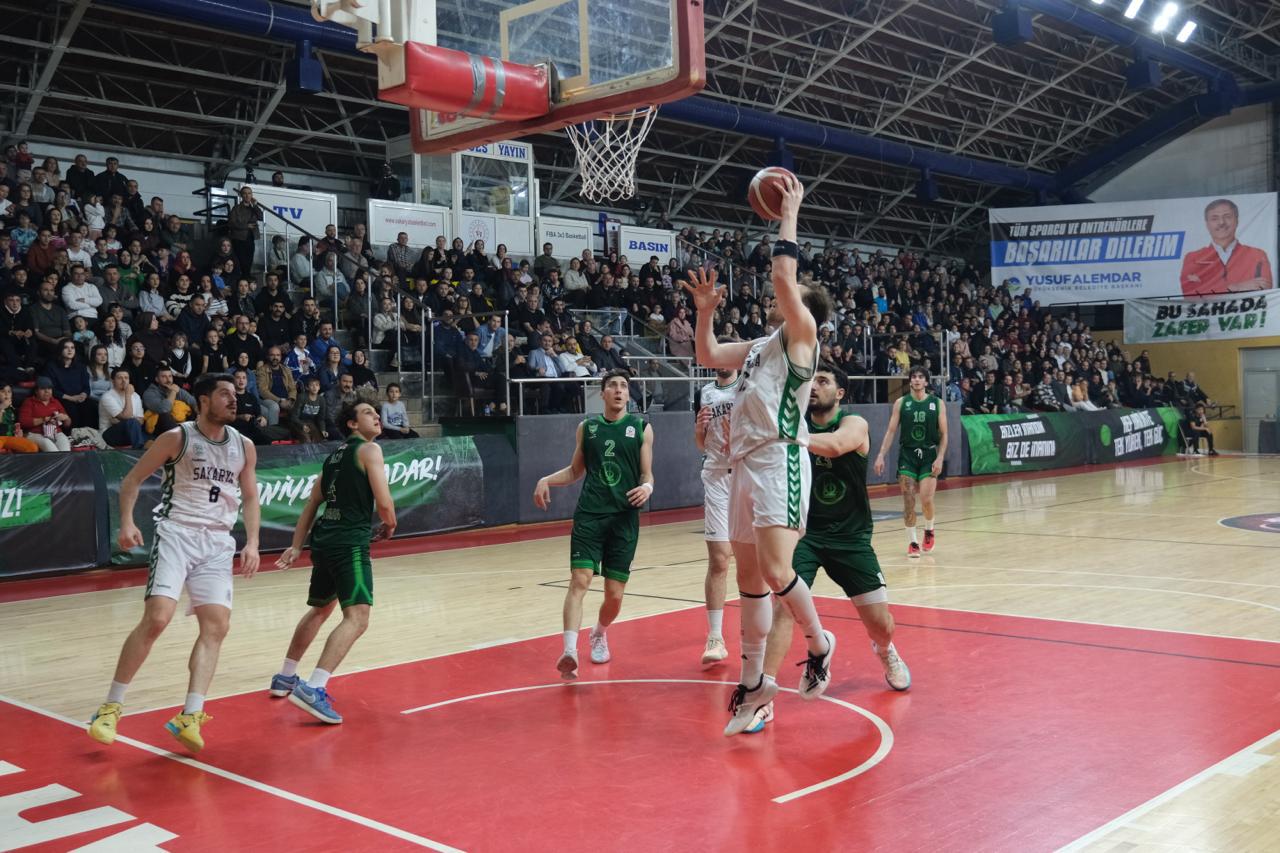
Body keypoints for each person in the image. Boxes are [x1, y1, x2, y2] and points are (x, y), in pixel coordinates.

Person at [681, 175, 837, 737]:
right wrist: (704, 310)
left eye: (786, 294)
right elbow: (706, 352)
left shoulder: (802, 334)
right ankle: (753, 688)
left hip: (781, 460)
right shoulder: (758, 349)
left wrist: (788, 212)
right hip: (742, 466)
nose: (777, 296)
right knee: (749, 584)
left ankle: (820, 643)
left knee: (775, 571)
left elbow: (780, 273)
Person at [87, 373, 261, 754]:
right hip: (177, 533)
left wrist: (252, 544)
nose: (234, 400)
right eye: (224, 394)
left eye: (236, 394)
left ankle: (191, 714)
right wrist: (129, 521)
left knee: (216, 627)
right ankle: (110, 707)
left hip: (217, 543)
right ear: (203, 400)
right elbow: (132, 480)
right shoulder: (177, 438)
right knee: (158, 618)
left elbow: (249, 497)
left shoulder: (244, 446)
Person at [748, 362, 910, 733]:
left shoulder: (854, 424)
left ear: (840, 393)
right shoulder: (795, 423)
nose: (815, 386)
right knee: (783, 608)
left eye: (823, 381)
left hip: (851, 539)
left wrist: (789, 437)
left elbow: (837, 446)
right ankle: (764, 697)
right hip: (805, 535)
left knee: (881, 626)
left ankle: (885, 652)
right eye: (812, 381)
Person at [268, 400, 396, 724]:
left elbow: (312, 503)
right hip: (348, 542)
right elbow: (384, 502)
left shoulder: (333, 458)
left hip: (324, 541)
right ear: (352, 424)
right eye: (368, 412)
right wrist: (390, 523)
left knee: (321, 609)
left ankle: (285, 676)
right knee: (358, 617)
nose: (376, 416)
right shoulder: (369, 451)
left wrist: (297, 546)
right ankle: (314, 687)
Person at [533, 370, 654, 680]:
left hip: (624, 519)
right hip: (590, 515)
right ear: (602, 393)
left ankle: (599, 632)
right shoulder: (587, 428)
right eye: (612, 385)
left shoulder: (641, 428)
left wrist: (648, 488)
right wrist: (546, 479)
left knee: (614, 595)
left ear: (629, 395)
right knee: (580, 580)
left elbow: (646, 474)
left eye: (624, 386)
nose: (618, 390)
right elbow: (575, 471)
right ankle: (569, 651)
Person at [693, 353, 738, 668]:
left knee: (757, 558)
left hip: (748, 474)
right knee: (719, 558)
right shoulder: (705, 392)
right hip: (716, 475)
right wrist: (699, 429)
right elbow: (700, 443)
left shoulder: (748, 386)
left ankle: (759, 625)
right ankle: (715, 637)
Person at [875, 366, 948, 558]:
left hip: (929, 454)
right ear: (910, 381)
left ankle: (929, 530)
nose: (916, 380)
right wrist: (881, 454)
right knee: (908, 499)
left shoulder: (937, 403)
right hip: (907, 455)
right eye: (913, 377)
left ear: (926, 382)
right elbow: (891, 431)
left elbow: (944, 434)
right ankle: (913, 542)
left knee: (926, 499)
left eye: (920, 377)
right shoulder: (901, 403)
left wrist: (940, 457)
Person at [1180, 198, 1273, 297]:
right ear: (1207, 224)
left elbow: (1265, 289)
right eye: (1214, 218)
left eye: (1227, 216)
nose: (1221, 222)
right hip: (1208, 312)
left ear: (1237, 220)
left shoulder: (1257, 255)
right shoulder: (1193, 258)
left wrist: (1208, 288)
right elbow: (1190, 294)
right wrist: (1235, 287)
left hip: (1246, 312)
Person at [18, 376, 72, 451]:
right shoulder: (29, 402)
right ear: (36, 391)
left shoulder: (55, 402)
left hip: (56, 433)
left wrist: (65, 418)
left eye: (49, 388)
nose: (47, 391)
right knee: (50, 447)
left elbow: (67, 425)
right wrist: (44, 419)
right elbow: (23, 422)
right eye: (43, 389)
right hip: (35, 434)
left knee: (66, 449)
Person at [99, 366, 147, 448]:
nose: (124, 381)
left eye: (126, 378)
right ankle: (140, 450)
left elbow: (141, 420)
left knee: (152, 438)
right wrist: (127, 395)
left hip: (131, 431)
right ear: (113, 381)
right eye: (120, 378)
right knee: (132, 422)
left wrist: (123, 421)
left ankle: (140, 447)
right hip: (109, 434)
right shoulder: (107, 396)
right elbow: (126, 417)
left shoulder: (136, 396)